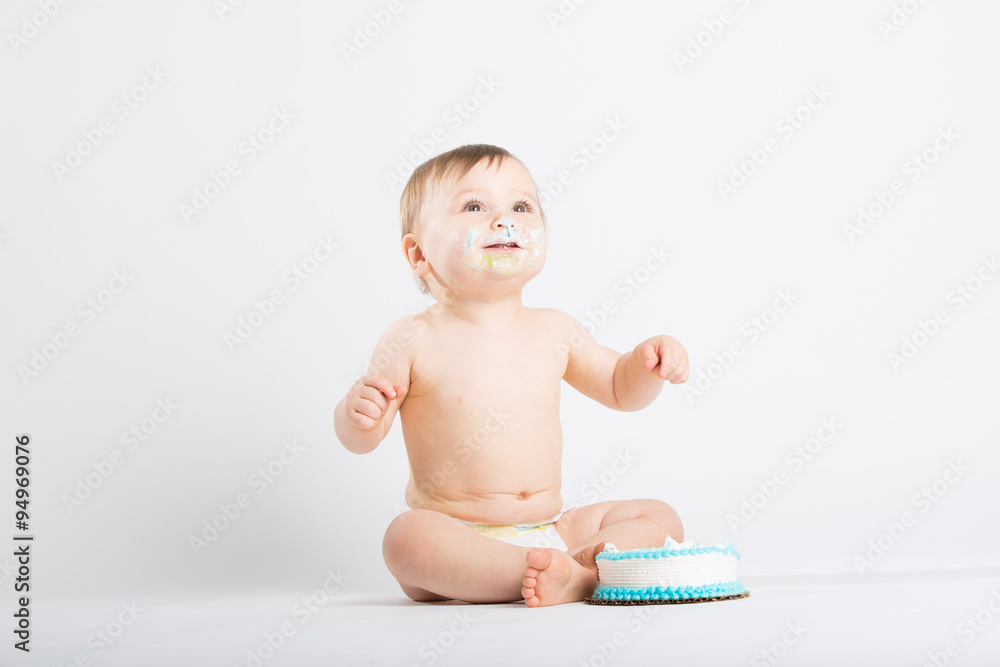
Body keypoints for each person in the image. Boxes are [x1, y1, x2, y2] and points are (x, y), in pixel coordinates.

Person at [334, 144, 688, 606]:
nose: (505, 220)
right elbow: (363, 437)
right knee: (406, 538)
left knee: (660, 516)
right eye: (475, 206)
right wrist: (355, 414)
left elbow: (620, 390)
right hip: (458, 534)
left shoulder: (556, 329)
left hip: (553, 529)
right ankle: (565, 576)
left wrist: (646, 364)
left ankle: (575, 569)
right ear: (418, 253)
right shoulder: (410, 339)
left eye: (521, 206)